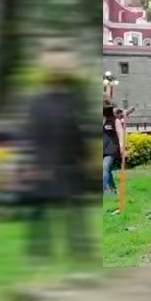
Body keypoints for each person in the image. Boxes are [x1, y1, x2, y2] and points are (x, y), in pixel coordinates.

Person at [26, 46, 94, 265]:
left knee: (75, 213)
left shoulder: (74, 99)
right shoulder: (37, 102)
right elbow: (33, 134)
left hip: (71, 164)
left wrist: (86, 157)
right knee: (41, 213)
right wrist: (37, 164)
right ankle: (39, 254)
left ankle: (80, 253)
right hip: (45, 164)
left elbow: (79, 131)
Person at [103, 101, 125, 195]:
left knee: (104, 168)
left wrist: (121, 146)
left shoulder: (114, 120)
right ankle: (112, 190)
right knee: (107, 170)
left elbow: (120, 133)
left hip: (110, 149)